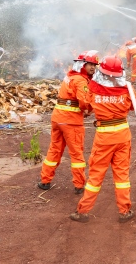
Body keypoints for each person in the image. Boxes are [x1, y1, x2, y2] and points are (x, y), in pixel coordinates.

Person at [70, 56, 136, 223]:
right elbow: (135, 105)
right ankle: (125, 211)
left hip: (104, 138)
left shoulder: (93, 88)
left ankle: (83, 212)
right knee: (122, 176)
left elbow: (86, 106)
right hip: (123, 136)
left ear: (102, 71)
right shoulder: (127, 88)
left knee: (95, 176)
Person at [38, 50, 98, 194]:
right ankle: (79, 185)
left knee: (54, 150)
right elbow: (84, 102)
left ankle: (45, 181)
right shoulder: (80, 80)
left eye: (94, 65)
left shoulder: (70, 76)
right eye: (90, 64)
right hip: (71, 121)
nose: (93, 68)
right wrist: (89, 111)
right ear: (83, 64)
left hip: (58, 118)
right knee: (77, 153)